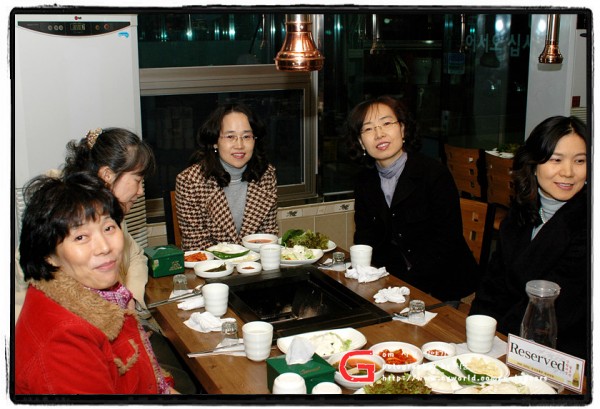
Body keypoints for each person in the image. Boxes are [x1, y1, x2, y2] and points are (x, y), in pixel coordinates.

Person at [15, 172, 175, 394]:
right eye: (81, 237)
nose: (104, 247)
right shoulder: (62, 341)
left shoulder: (104, 291)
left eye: (108, 228)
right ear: (48, 255)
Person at [470, 116, 588, 360]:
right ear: (533, 164)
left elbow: (554, 310)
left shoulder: (587, 223)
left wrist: (498, 343)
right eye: (556, 160)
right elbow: (493, 284)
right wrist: (478, 330)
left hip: (559, 353)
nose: (568, 172)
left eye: (580, 161)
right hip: (505, 338)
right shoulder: (522, 211)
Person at [345, 95, 478, 301]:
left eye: (386, 123)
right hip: (392, 281)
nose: (379, 134)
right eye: (368, 129)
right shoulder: (365, 181)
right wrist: (366, 274)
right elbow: (365, 235)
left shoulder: (433, 173)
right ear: (361, 142)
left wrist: (408, 286)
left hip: (440, 282)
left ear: (402, 129)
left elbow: (447, 240)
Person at [62, 127, 155, 310]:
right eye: (137, 181)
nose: (140, 191)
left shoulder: (111, 213)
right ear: (107, 176)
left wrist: (130, 296)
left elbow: (136, 256)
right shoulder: (65, 217)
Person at [176, 102, 279, 250]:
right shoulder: (190, 181)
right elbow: (196, 244)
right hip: (210, 263)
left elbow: (268, 235)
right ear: (215, 142)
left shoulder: (266, 175)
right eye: (230, 136)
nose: (239, 145)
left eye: (246, 136)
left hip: (255, 261)